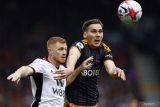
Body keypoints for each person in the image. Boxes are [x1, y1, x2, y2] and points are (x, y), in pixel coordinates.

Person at [55, 19, 126, 107]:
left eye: (100, 32)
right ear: (85, 34)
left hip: (93, 104)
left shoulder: (104, 49)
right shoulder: (79, 46)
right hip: (73, 104)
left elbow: (111, 69)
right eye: (94, 31)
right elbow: (72, 55)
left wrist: (116, 70)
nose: (98, 35)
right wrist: (70, 68)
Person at [7, 36, 93, 107]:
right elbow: (27, 69)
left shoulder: (62, 68)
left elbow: (64, 83)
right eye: (60, 49)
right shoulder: (41, 64)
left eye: (65, 49)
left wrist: (80, 68)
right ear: (50, 51)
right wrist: (18, 73)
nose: (64, 52)